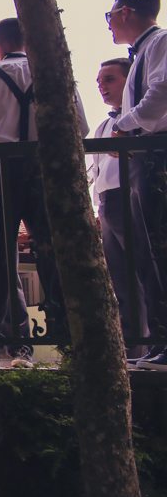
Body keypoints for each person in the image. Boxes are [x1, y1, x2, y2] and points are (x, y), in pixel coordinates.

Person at [0, 18, 89, 368]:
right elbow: (83, 127)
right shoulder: (55, 74)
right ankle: (71, 341)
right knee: (54, 251)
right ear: (28, 42)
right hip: (46, 170)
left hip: (1, 168)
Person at [107, 0, 167, 369]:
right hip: (146, 157)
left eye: (110, 15)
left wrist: (125, 126)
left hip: (156, 156)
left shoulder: (159, 43)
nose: (109, 24)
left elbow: (162, 90)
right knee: (151, 254)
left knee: (159, 250)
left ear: (126, 12)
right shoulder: (146, 49)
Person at [90, 57, 156, 358]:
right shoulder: (104, 125)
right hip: (106, 202)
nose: (102, 86)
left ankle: (154, 342)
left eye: (110, 79)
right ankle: (131, 347)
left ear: (128, 82)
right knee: (121, 280)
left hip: (130, 197)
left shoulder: (138, 121)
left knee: (144, 271)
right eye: (99, 81)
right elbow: (96, 168)